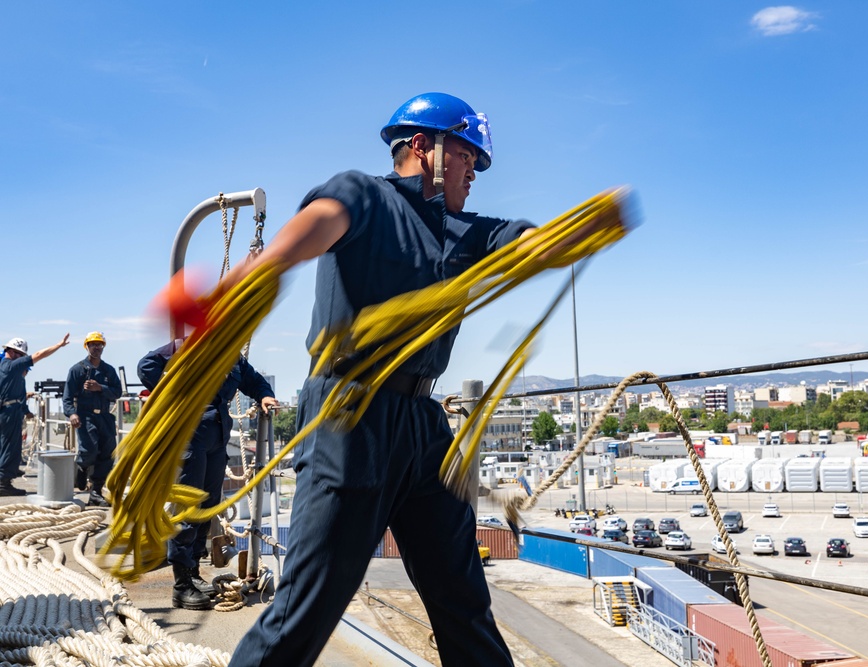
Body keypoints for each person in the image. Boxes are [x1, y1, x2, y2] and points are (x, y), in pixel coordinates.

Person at [199, 92, 619, 667]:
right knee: (307, 608)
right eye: (467, 156)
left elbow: (529, 247)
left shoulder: (466, 233)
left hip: (422, 424)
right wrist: (263, 269)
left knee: (463, 598)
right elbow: (320, 223)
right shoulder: (364, 195)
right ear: (424, 148)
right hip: (350, 417)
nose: (474, 172)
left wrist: (581, 230)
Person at [137, 339, 278, 610]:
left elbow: (253, 380)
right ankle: (181, 586)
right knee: (188, 508)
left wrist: (264, 395)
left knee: (207, 505)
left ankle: (193, 573)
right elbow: (146, 366)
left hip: (216, 437)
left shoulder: (234, 357)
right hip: (190, 436)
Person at [0, 334, 71, 495]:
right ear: (12, 352)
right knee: (9, 447)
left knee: (7, 446)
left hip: (10, 410)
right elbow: (39, 355)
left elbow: (17, 395)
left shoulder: (10, 371)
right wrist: (58, 345)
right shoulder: (12, 366)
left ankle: (5, 476)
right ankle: (3, 483)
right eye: (20, 355)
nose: (21, 359)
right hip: (9, 413)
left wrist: (26, 412)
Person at [63, 331, 122, 507]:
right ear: (86, 346)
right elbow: (67, 397)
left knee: (107, 453)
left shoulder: (108, 370)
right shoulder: (77, 370)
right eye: (93, 344)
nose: (96, 347)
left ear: (103, 347)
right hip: (85, 416)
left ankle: (96, 493)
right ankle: (82, 467)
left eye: (99, 344)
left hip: (104, 416)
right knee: (89, 449)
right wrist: (72, 414)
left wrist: (100, 388)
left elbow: (117, 392)